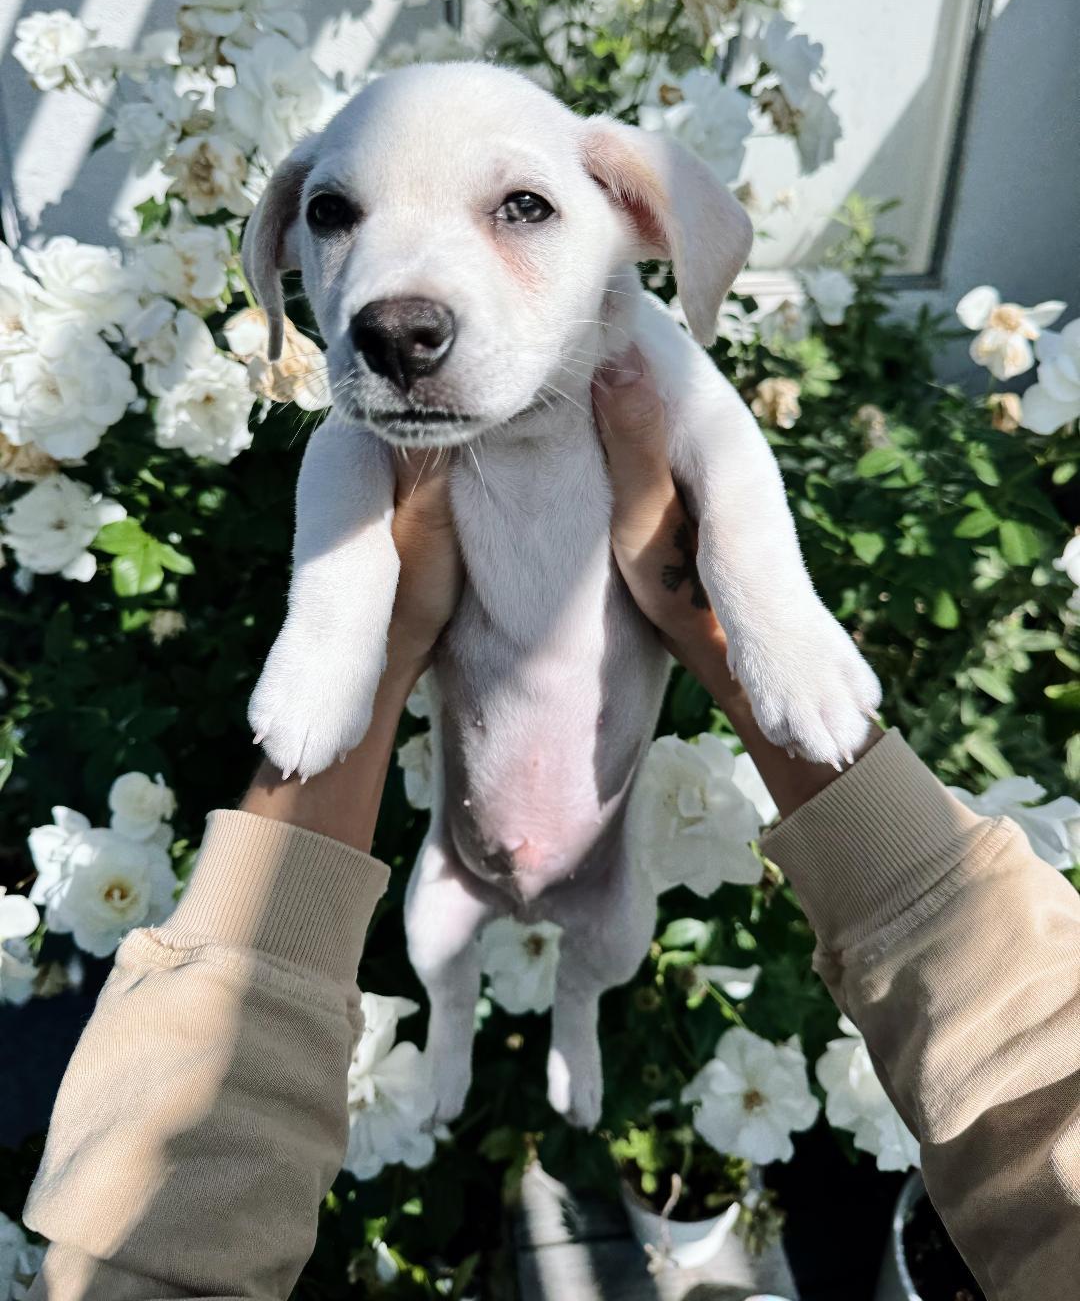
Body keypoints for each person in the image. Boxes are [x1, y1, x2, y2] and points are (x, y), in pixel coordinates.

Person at [22, 353, 1080, 1301]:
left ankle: (573, 1021)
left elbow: (157, 1233)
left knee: (607, 949)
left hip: (593, 845)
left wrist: (391, 641)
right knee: (438, 939)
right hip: (472, 829)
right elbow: (1039, 1080)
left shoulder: (622, 333)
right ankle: (451, 1022)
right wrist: (696, 605)